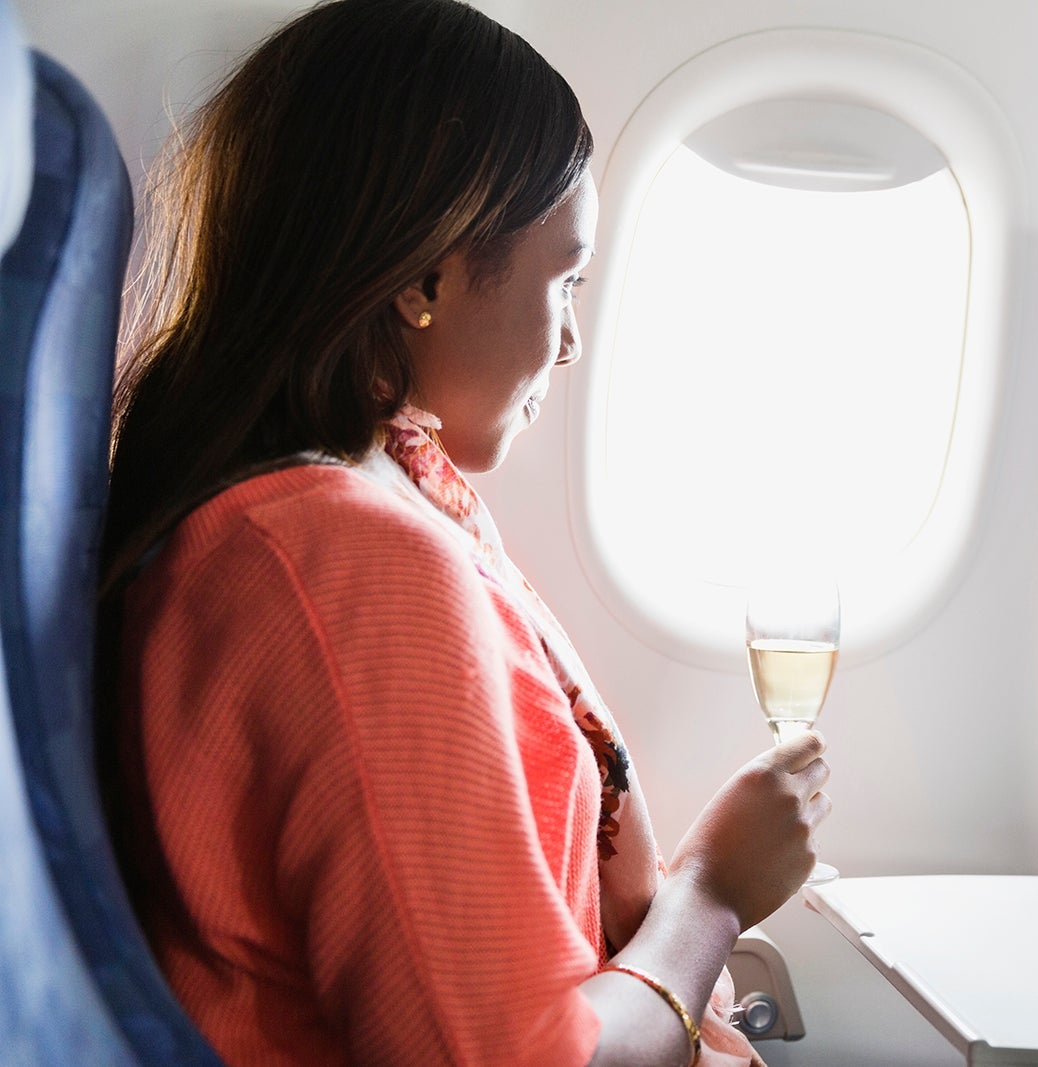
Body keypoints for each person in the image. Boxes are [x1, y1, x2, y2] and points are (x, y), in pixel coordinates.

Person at [96, 1, 831, 1064]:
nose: (571, 339)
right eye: (564, 278)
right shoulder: (351, 568)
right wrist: (713, 893)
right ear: (424, 279)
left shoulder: (362, 496)